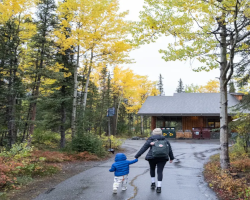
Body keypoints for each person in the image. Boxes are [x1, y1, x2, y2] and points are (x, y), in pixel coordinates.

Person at [134, 128, 174, 193]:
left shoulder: (150, 139)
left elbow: (144, 148)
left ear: (153, 133)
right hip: (163, 158)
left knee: (152, 169)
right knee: (160, 171)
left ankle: (153, 184)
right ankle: (159, 187)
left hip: (152, 157)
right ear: (161, 133)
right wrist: (171, 158)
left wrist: (137, 156)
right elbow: (169, 149)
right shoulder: (165, 140)